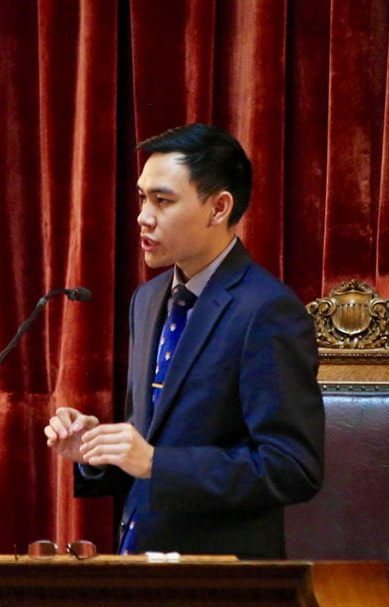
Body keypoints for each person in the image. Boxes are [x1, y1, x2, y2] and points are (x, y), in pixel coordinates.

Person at [44, 124, 324, 558]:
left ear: (219, 208)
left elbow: (292, 467)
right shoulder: (149, 298)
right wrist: (98, 450)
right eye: (142, 198)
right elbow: (153, 436)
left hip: (219, 581)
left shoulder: (266, 310)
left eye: (163, 200)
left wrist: (157, 463)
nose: (143, 216)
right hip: (141, 564)